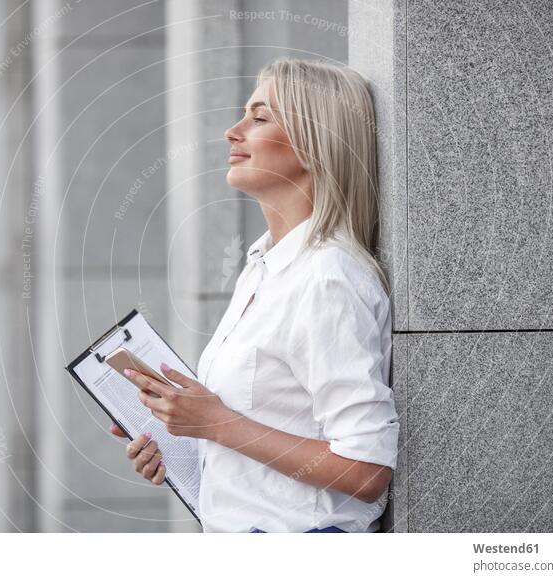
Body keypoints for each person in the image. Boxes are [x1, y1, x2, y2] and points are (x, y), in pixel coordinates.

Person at [111, 58, 399, 533]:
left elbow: (365, 470)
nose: (233, 131)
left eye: (259, 117)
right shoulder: (265, 267)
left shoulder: (329, 277)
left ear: (314, 145)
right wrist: (179, 434)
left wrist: (217, 424)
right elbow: (261, 426)